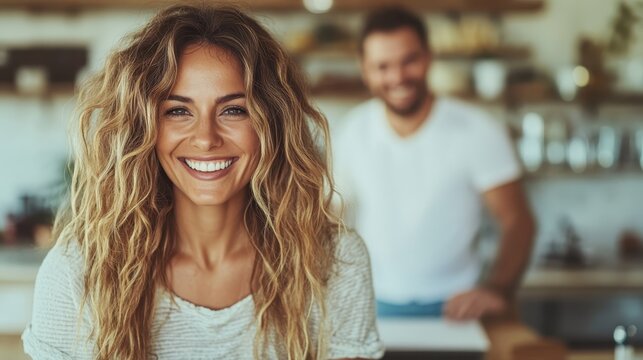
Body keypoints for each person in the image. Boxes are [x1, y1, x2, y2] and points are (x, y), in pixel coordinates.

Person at [22, 5, 383, 360]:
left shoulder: (334, 263)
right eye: (178, 111)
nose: (206, 138)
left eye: (233, 110)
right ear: (144, 128)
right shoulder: (78, 273)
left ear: (271, 124)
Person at [332, 6, 536, 321]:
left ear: (428, 57)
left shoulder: (477, 129)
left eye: (408, 61)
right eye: (382, 66)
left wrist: (497, 288)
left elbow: (518, 220)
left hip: (457, 307)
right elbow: (331, 215)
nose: (397, 77)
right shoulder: (352, 130)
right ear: (364, 68)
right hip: (371, 305)